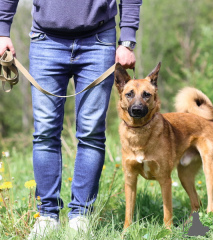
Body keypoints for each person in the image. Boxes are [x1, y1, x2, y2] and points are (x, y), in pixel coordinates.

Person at [0, 0, 142, 238]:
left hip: (99, 40)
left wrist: (127, 39)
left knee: (91, 134)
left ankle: (81, 216)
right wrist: (2, 30)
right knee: (44, 133)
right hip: (46, 40)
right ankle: (47, 216)